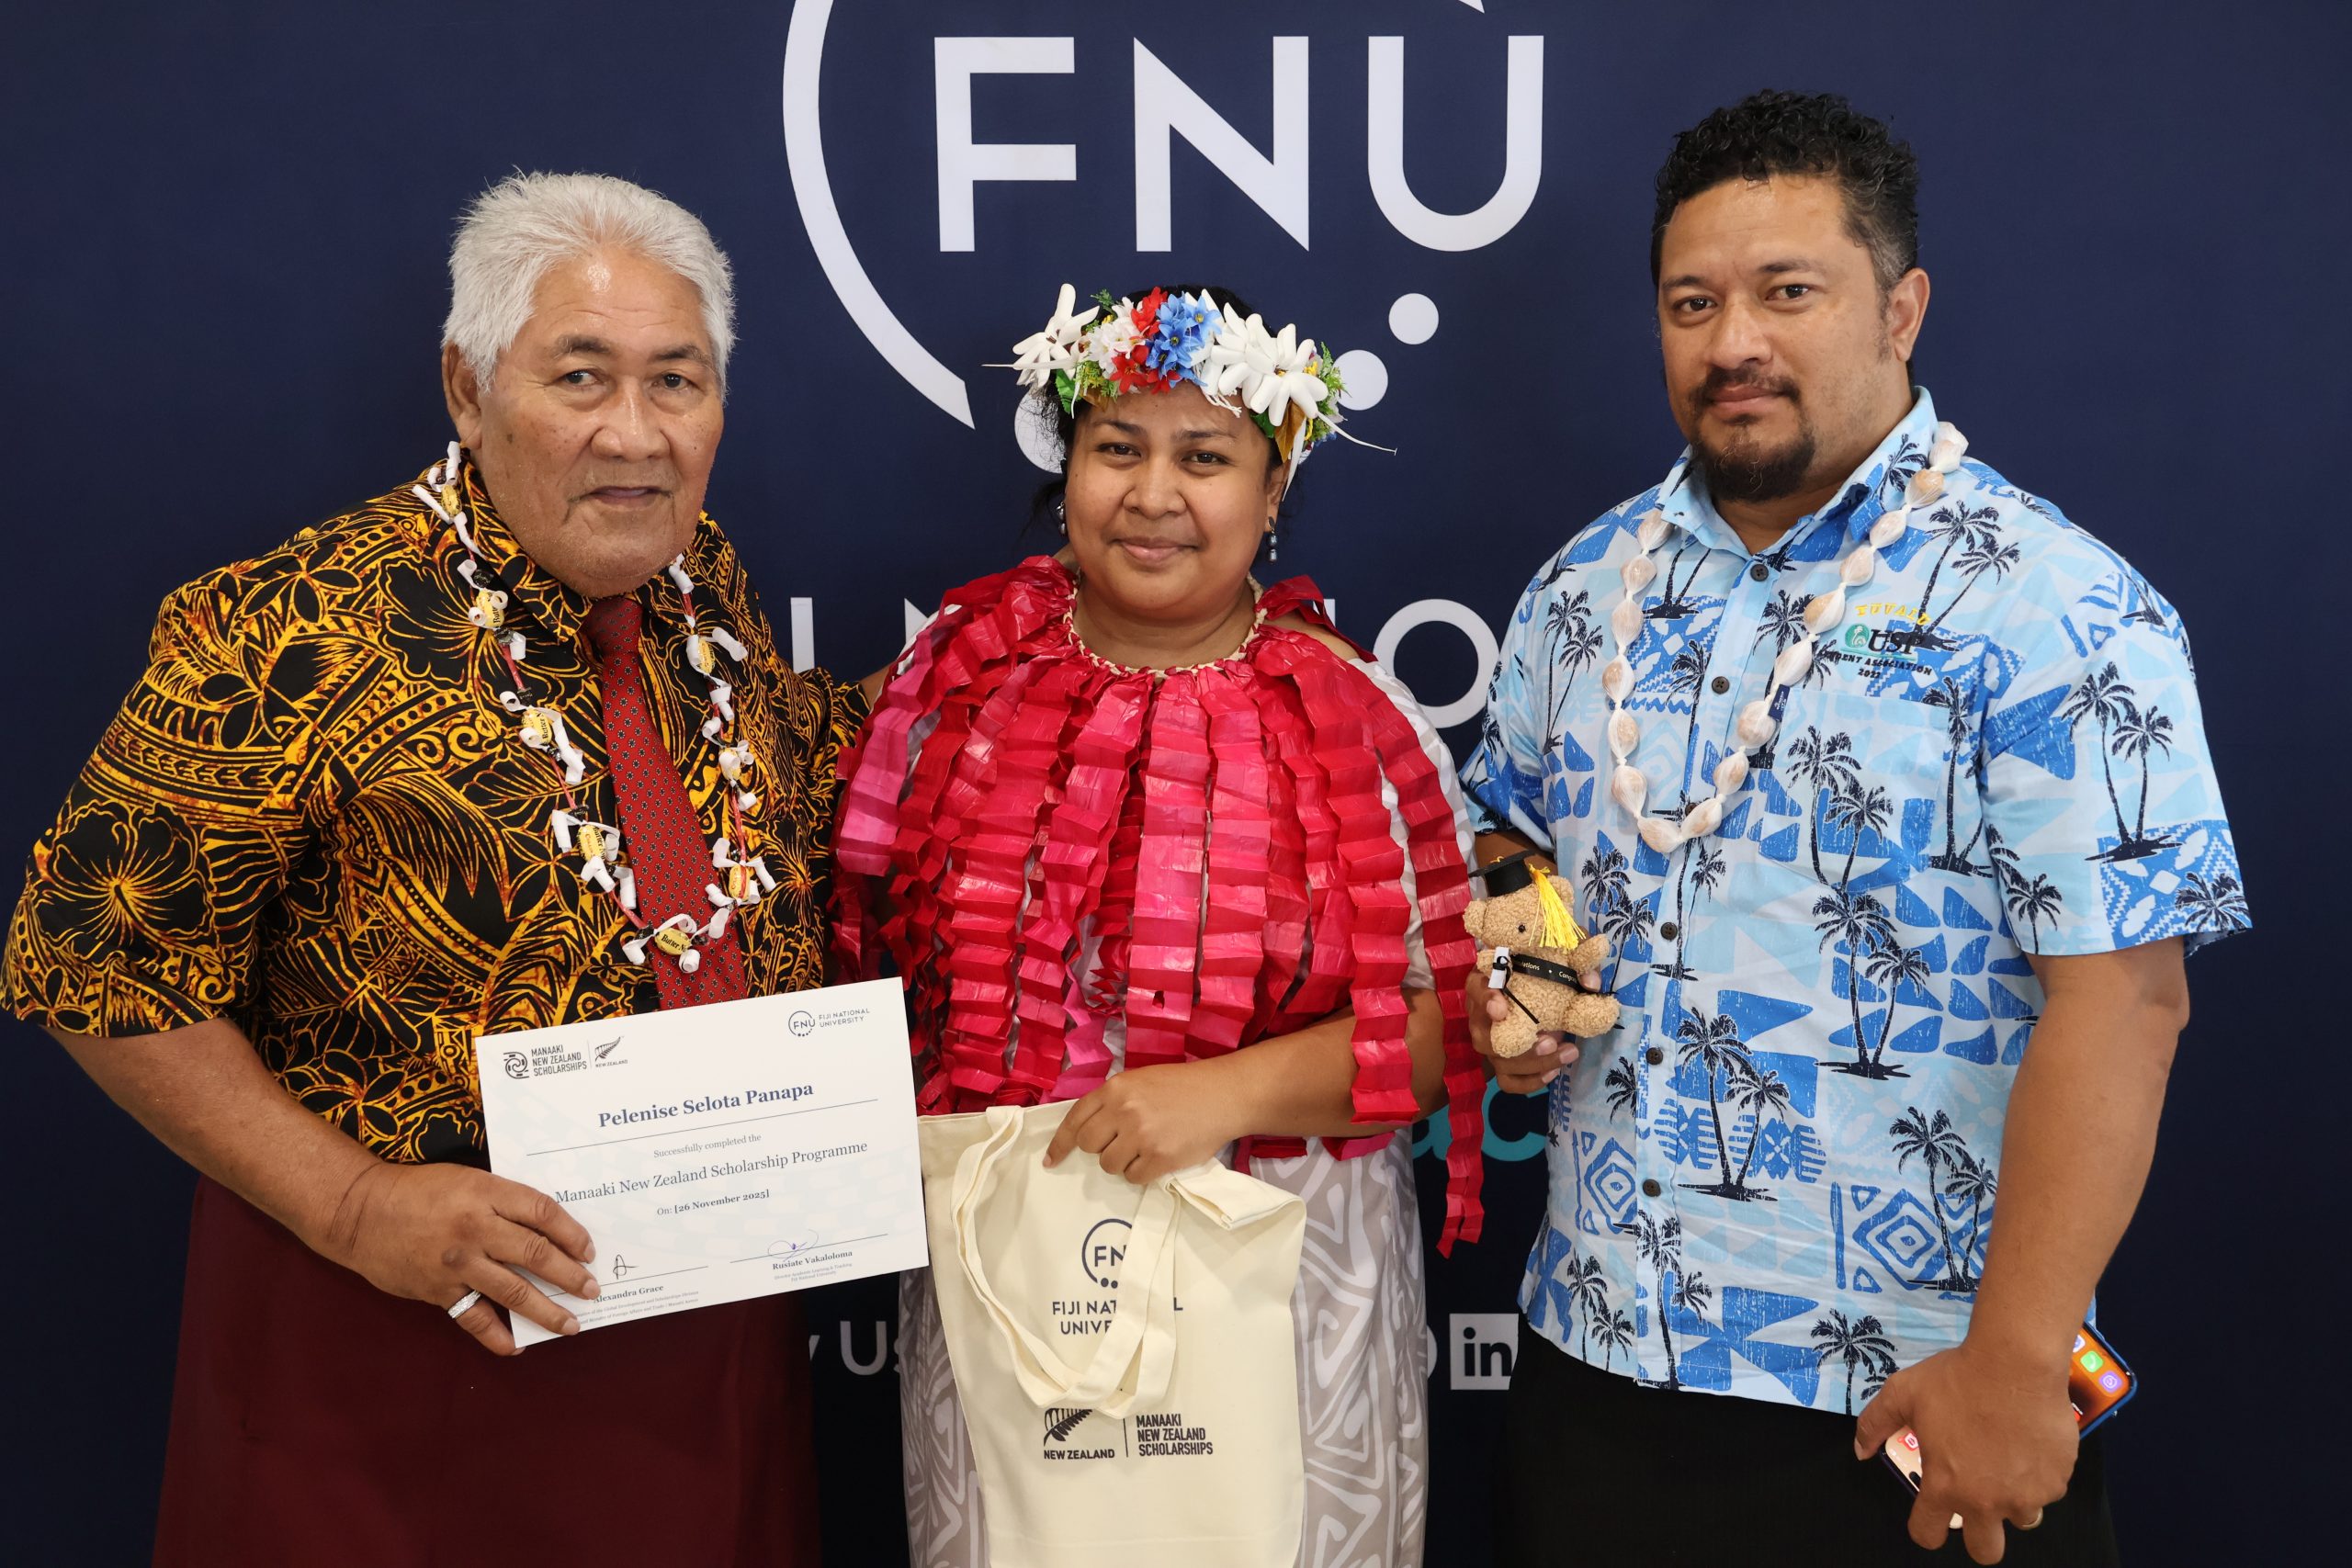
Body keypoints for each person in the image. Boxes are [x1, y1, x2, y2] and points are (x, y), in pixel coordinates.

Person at [2, 172, 865, 1564]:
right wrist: (354, 1206)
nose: (635, 435)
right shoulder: (286, 627)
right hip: (391, 1357)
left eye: (678, 381)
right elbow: (89, 961)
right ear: (467, 390)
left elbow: (780, 797)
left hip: (700, 1352)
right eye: (579, 377)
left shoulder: (702, 580)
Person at [1462, 92, 2245, 1567]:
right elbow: (1512, 840)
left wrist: (2016, 1372)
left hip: (1914, 1400)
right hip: (1598, 1365)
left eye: (1788, 292)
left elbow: (2129, 1000)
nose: (1734, 341)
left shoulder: (2053, 602)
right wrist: (1537, 972)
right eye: (1693, 303)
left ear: (1902, 308)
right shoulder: (1582, 592)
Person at [836, 283, 1489, 1567]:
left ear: (1273, 483)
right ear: (1065, 464)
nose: (1152, 494)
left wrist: (1220, 1093)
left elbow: (1446, 1027)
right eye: (1117, 449)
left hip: (1286, 1292)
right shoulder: (952, 693)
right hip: (1012, 1280)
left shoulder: (1360, 722)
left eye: (1205, 457)